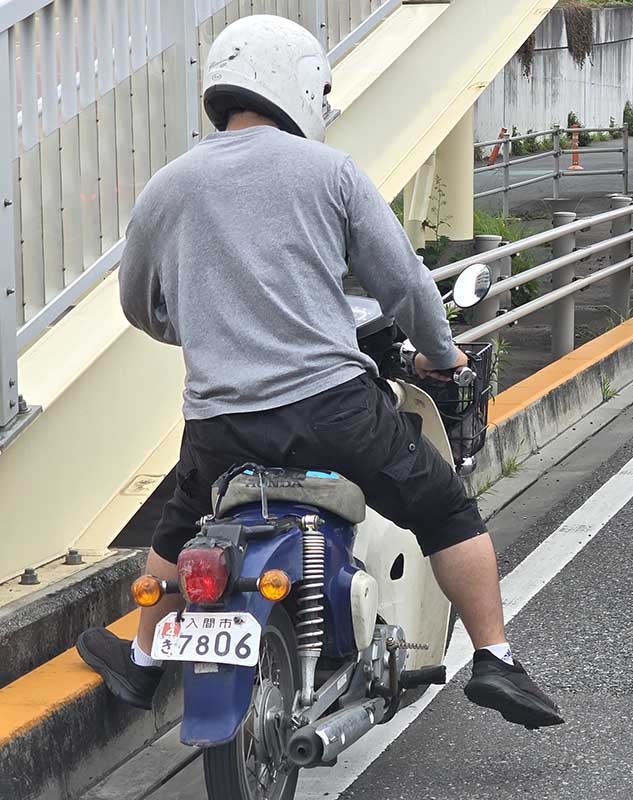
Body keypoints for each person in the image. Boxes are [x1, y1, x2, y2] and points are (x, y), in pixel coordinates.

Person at [74, 14, 563, 730]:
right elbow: (403, 286)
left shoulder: (167, 187)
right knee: (443, 507)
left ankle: (145, 663)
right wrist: (444, 353)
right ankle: (495, 658)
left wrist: (204, 331)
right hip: (331, 412)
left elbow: (139, 306)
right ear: (301, 86)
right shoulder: (328, 172)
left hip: (221, 423)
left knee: (183, 523)